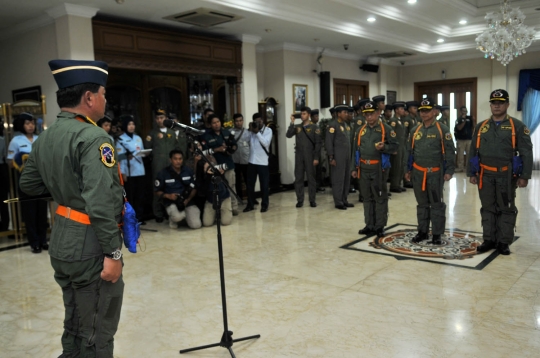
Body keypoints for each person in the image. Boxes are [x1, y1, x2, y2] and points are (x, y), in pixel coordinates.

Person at [20, 59, 125, 357]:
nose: (105, 99)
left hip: (63, 238)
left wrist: (64, 187)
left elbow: (28, 184)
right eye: (103, 93)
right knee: (97, 330)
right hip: (90, 243)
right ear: (89, 98)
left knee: (75, 321)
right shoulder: (94, 137)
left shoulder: (46, 136)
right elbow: (101, 203)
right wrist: (113, 254)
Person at [467, 89, 533, 255]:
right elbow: (473, 150)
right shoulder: (481, 126)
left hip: (506, 175)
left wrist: (524, 176)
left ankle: (504, 242)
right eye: (494, 103)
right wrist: (471, 173)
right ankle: (489, 239)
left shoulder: (517, 126)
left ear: (507, 105)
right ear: (490, 105)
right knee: (488, 207)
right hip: (485, 175)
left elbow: (526, 152)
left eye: (500, 103)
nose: (497, 106)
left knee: (506, 208)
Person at [404, 97, 456, 245]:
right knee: (422, 204)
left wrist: (449, 170)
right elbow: (409, 151)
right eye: (422, 111)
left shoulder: (442, 129)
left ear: (434, 112)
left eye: (427, 111)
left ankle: (437, 234)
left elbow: (450, 151)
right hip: (418, 173)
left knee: (436, 204)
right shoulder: (415, 130)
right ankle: (422, 231)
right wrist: (407, 169)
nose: (424, 114)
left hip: (435, 173)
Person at [351, 101, 398, 237]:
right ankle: (369, 224)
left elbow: (395, 147)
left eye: (371, 114)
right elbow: (355, 150)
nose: (369, 117)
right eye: (366, 115)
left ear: (378, 113)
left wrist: (384, 147)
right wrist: (353, 168)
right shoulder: (361, 130)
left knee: (380, 197)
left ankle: (379, 226)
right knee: (367, 197)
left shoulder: (386, 129)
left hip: (378, 169)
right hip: (364, 168)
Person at [8, 113, 48, 252]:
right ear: (21, 125)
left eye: (32, 123)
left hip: (42, 180)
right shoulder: (16, 140)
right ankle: (34, 242)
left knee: (42, 212)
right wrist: (21, 162)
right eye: (27, 123)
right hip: (25, 181)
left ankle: (43, 240)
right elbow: (10, 162)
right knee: (29, 213)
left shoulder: (40, 138)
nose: (30, 126)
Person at [145, 108, 179, 223]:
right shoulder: (152, 133)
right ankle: (158, 213)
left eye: (162, 118)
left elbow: (176, 149)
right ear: (155, 120)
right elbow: (147, 149)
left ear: (166, 119)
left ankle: (169, 212)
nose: (160, 120)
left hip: (170, 164)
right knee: (158, 187)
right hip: (158, 164)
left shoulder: (172, 133)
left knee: (170, 187)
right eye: (158, 118)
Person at [201, 114, 239, 215]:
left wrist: (231, 149)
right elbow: (204, 152)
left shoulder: (227, 132)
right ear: (210, 124)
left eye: (218, 122)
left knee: (231, 186)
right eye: (214, 123)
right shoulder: (206, 136)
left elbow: (235, 145)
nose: (216, 124)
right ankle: (221, 210)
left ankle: (233, 208)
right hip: (215, 167)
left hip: (228, 164)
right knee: (219, 188)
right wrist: (217, 149)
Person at [155, 149, 201, 229]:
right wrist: (168, 196)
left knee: (196, 225)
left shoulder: (188, 171)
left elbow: (194, 187)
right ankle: (174, 219)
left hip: (187, 201)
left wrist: (188, 199)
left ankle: (185, 216)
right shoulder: (163, 173)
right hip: (172, 202)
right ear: (170, 160)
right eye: (175, 159)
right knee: (177, 217)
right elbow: (157, 191)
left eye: (180, 159)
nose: (178, 161)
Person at [286, 106, 322, 208]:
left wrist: (316, 158)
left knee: (311, 178)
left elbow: (318, 144)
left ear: (309, 115)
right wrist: (292, 123)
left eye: (304, 114)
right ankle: (300, 199)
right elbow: (288, 135)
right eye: (301, 114)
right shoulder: (297, 127)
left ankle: (312, 200)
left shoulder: (315, 127)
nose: (302, 115)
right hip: (299, 156)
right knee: (298, 178)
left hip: (310, 156)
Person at [116, 115, 146, 223]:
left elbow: (142, 152)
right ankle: (131, 218)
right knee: (130, 195)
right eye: (129, 124)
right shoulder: (121, 139)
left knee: (140, 195)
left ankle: (140, 216)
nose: (132, 126)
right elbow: (120, 158)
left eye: (133, 124)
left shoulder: (138, 138)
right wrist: (123, 172)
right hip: (129, 172)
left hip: (139, 170)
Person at [326, 104, 353, 210]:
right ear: (338, 114)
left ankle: (344, 199)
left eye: (347, 112)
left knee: (346, 178)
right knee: (338, 179)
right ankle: (338, 201)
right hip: (338, 156)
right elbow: (329, 142)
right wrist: (331, 157)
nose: (346, 114)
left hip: (347, 156)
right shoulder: (333, 125)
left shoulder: (346, 125)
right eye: (344, 112)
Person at [243, 113, 272, 213]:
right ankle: (250, 204)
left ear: (262, 120)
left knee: (264, 185)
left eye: (259, 121)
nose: (258, 123)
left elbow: (266, 143)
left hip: (263, 162)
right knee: (250, 185)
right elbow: (245, 141)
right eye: (256, 121)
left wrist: (257, 132)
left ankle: (264, 205)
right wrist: (249, 130)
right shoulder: (252, 131)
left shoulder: (268, 131)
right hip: (252, 161)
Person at [202, 155, 233, 227]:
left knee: (226, 222)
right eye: (207, 167)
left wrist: (221, 175)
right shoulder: (203, 176)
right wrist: (208, 176)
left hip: (224, 198)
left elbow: (226, 186)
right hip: (211, 200)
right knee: (207, 223)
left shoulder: (218, 174)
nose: (210, 169)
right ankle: (215, 213)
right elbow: (203, 190)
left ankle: (223, 212)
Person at [388, 102, 407, 193]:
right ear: (396, 110)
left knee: (401, 165)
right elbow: (392, 135)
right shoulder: (393, 121)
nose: (403, 111)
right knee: (396, 166)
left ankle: (398, 183)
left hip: (402, 146)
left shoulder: (400, 120)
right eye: (401, 109)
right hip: (396, 147)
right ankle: (394, 185)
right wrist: (393, 147)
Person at [231, 113, 250, 199]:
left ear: (243, 121)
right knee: (237, 180)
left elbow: (251, 146)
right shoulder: (230, 133)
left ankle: (251, 198)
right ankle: (239, 197)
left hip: (246, 160)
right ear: (234, 122)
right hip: (235, 160)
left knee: (248, 180)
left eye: (240, 120)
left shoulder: (248, 132)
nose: (239, 123)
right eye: (237, 121)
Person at [454, 105, 474, 173]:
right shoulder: (458, 119)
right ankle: (460, 167)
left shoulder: (469, 118)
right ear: (460, 112)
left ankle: (468, 167)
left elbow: (472, 127)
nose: (465, 113)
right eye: (463, 111)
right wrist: (464, 120)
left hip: (469, 139)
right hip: (461, 140)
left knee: (469, 154)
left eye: (466, 111)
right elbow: (459, 128)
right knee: (460, 155)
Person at [310, 109, 325, 193]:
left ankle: (318, 185)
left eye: (318, 116)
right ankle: (314, 186)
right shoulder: (311, 126)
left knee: (318, 169)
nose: (317, 118)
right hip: (312, 151)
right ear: (311, 117)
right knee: (313, 170)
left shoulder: (317, 126)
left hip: (318, 150)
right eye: (316, 116)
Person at [0, 121, 10, 231]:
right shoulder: (2, 140)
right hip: (2, 168)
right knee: (3, 199)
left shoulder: (2, 140)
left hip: (1, 169)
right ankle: (5, 225)